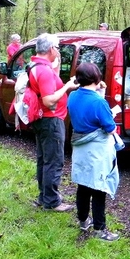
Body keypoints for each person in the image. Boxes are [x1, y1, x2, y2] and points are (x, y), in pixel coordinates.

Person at [67, 62, 120, 241]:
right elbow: (110, 128)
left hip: (80, 147)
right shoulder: (99, 102)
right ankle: (100, 229)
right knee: (99, 188)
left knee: (83, 185)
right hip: (97, 150)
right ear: (97, 78)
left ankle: (83, 221)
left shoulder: (72, 96)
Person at [28, 33, 79, 211]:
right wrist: (67, 86)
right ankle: (51, 201)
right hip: (51, 120)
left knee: (44, 159)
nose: (58, 50)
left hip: (42, 120)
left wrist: (55, 69)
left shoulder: (36, 65)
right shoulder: (44, 71)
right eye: (57, 47)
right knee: (54, 161)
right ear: (51, 49)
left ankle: (45, 196)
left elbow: (47, 86)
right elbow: (49, 100)